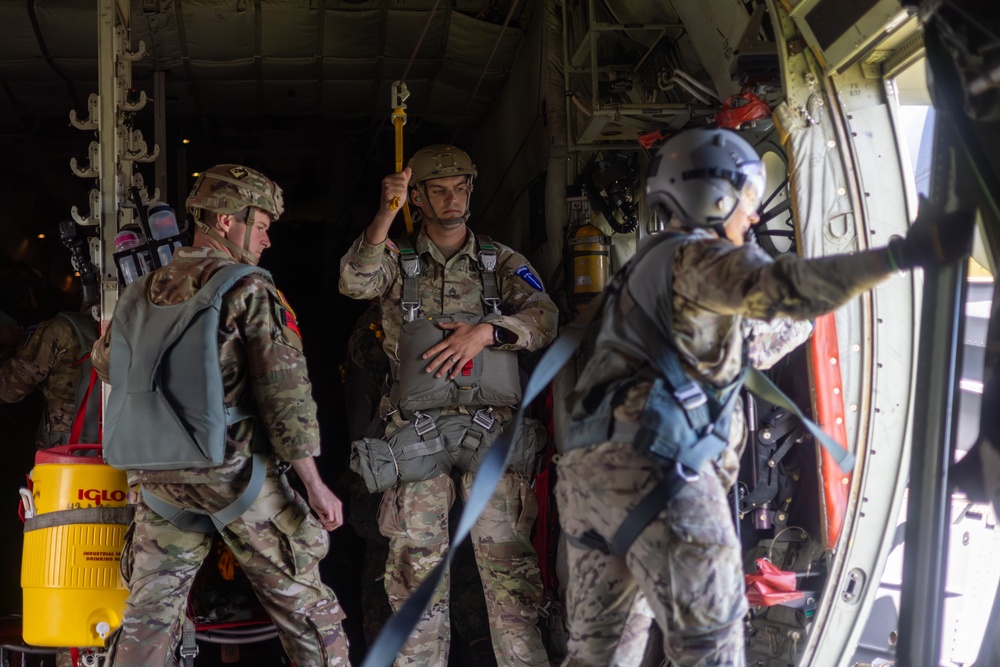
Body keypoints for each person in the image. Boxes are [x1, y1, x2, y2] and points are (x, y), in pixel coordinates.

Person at [553, 127, 976, 666]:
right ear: (715, 198)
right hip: (659, 477)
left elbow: (753, 345)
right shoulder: (697, 259)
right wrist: (903, 255)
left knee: (598, 657)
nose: (753, 218)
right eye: (748, 203)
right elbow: (786, 286)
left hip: (591, 486)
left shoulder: (645, 274)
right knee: (711, 651)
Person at [92, 164, 351, 667]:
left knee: (149, 615)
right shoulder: (249, 288)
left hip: (158, 476)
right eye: (261, 226)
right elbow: (285, 398)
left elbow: (107, 365)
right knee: (306, 608)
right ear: (228, 220)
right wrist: (315, 485)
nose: (267, 240)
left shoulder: (140, 290)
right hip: (234, 471)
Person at [339, 144, 558, 666]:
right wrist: (384, 214)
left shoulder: (500, 261)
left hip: (491, 429)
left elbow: (545, 317)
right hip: (417, 434)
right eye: (438, 190)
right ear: (417, 198)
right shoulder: (397, 260)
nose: (452, 199)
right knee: (416, 576)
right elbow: (352, 282)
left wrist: (486, 332)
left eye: (460, 188)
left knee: (509, 575)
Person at [0, 303, 100, 449]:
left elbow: (8, 388)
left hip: (69, 440)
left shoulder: (55, 330)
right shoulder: (97, 326)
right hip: (100, 433)